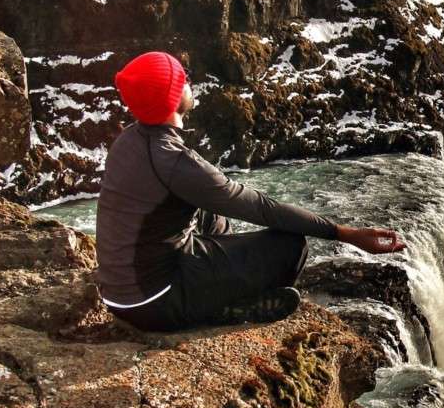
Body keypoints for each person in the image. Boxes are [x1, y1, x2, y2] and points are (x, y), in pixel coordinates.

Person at [94, 51, 405, 332]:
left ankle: (224, 289)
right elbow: (262, 208)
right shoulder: (173, 161)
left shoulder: (128, 141)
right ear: (172, 97)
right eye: (182, 79)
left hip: (120, 294)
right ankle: (225, 307)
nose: (189, 82)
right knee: (290, 246)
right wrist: (344, 234)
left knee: (206, 210)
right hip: (156, 304)